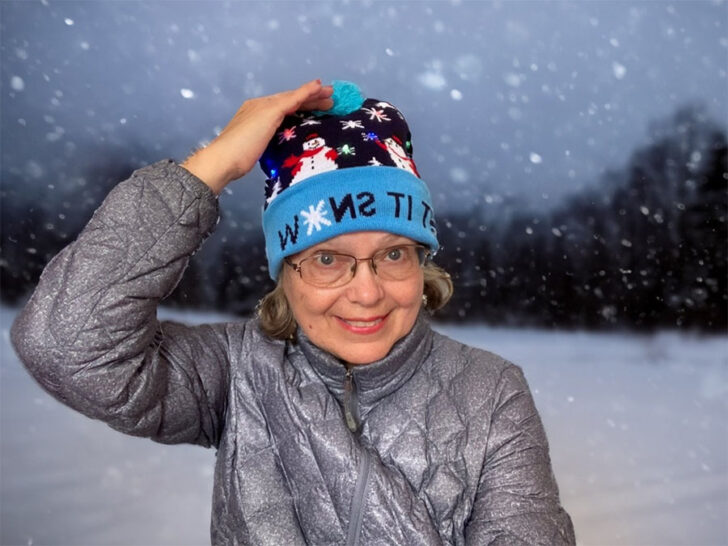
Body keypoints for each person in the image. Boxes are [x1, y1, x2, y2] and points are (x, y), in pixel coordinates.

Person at [10, 79, 576, 545]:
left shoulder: (493, 391)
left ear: (421, 264)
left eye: (393, 254)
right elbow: (64, 345)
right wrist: (215, 166)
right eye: (328, 258)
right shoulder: (236, 372)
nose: (367, 293)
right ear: (286, 274)